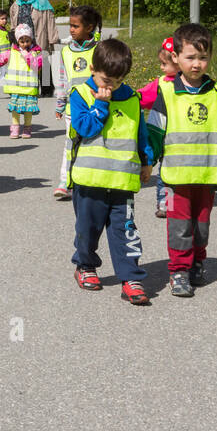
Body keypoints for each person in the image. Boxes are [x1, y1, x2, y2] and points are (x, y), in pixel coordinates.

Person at [147, 23, 217, 297]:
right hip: (175, 178)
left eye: (203, 57)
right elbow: (154, 133)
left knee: (201, 226)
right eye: (190, 57)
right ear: (176, 58)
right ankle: (179, 270)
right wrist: (146, 160)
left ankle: (198, 262)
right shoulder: (166, 94)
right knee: (179, 226)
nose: (196, 64)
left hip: (207, 177)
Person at [67, 38, 154, 306]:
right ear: (92, 69)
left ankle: (130, 278)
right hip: (90, 180)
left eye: (116, 81)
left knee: (125, 230)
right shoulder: (80, 94)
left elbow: (141, 133)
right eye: (105, 79)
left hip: (122, 181)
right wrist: (101, 105)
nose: (110, 86)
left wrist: (146, 159)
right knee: (87, 229)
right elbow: (85, 128)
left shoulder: (131, 98)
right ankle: (85, 265)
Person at [52, 5, 102, 199]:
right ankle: (66, 181)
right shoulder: (66, 52)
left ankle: (94, 180)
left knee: (95, 144)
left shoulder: (99, 49)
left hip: (96, 107)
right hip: (74, 110)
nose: (71, 30)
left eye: (75, 26)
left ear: (89, 28)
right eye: (70, 26)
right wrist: (60, 103)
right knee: (71, 143)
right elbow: (63, 80)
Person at [138, 36, 179, 218]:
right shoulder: (161, 83)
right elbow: (143, 96)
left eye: (164, 64)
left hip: (186, 139)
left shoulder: (194, 83)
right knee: (166, 173)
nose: (161, 68)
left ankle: (188, 201)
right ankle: (166, 204)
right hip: (164, 136)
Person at [8, 0, 57, 96]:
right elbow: (13, 19)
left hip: (38, 36)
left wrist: (52, 38)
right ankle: (29, 88)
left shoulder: (41, 1)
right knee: (26, 63)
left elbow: (50, 20)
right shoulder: (16, 4)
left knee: (42, 62)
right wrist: (13, 34)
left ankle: (47, 90)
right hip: (23, 38)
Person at [0, 24, 42, 137]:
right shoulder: (12, 51)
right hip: (16, 87)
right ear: (17, 41)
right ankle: (15, 128)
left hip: (29, 88)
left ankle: (27, 128)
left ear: (31, 39)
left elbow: (37, 65)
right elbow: (0, 59)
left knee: (28, 109)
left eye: (27, 40)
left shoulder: (36, 52)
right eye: (22, 41)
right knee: (15, 109)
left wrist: (27, 56)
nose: (25, 44)